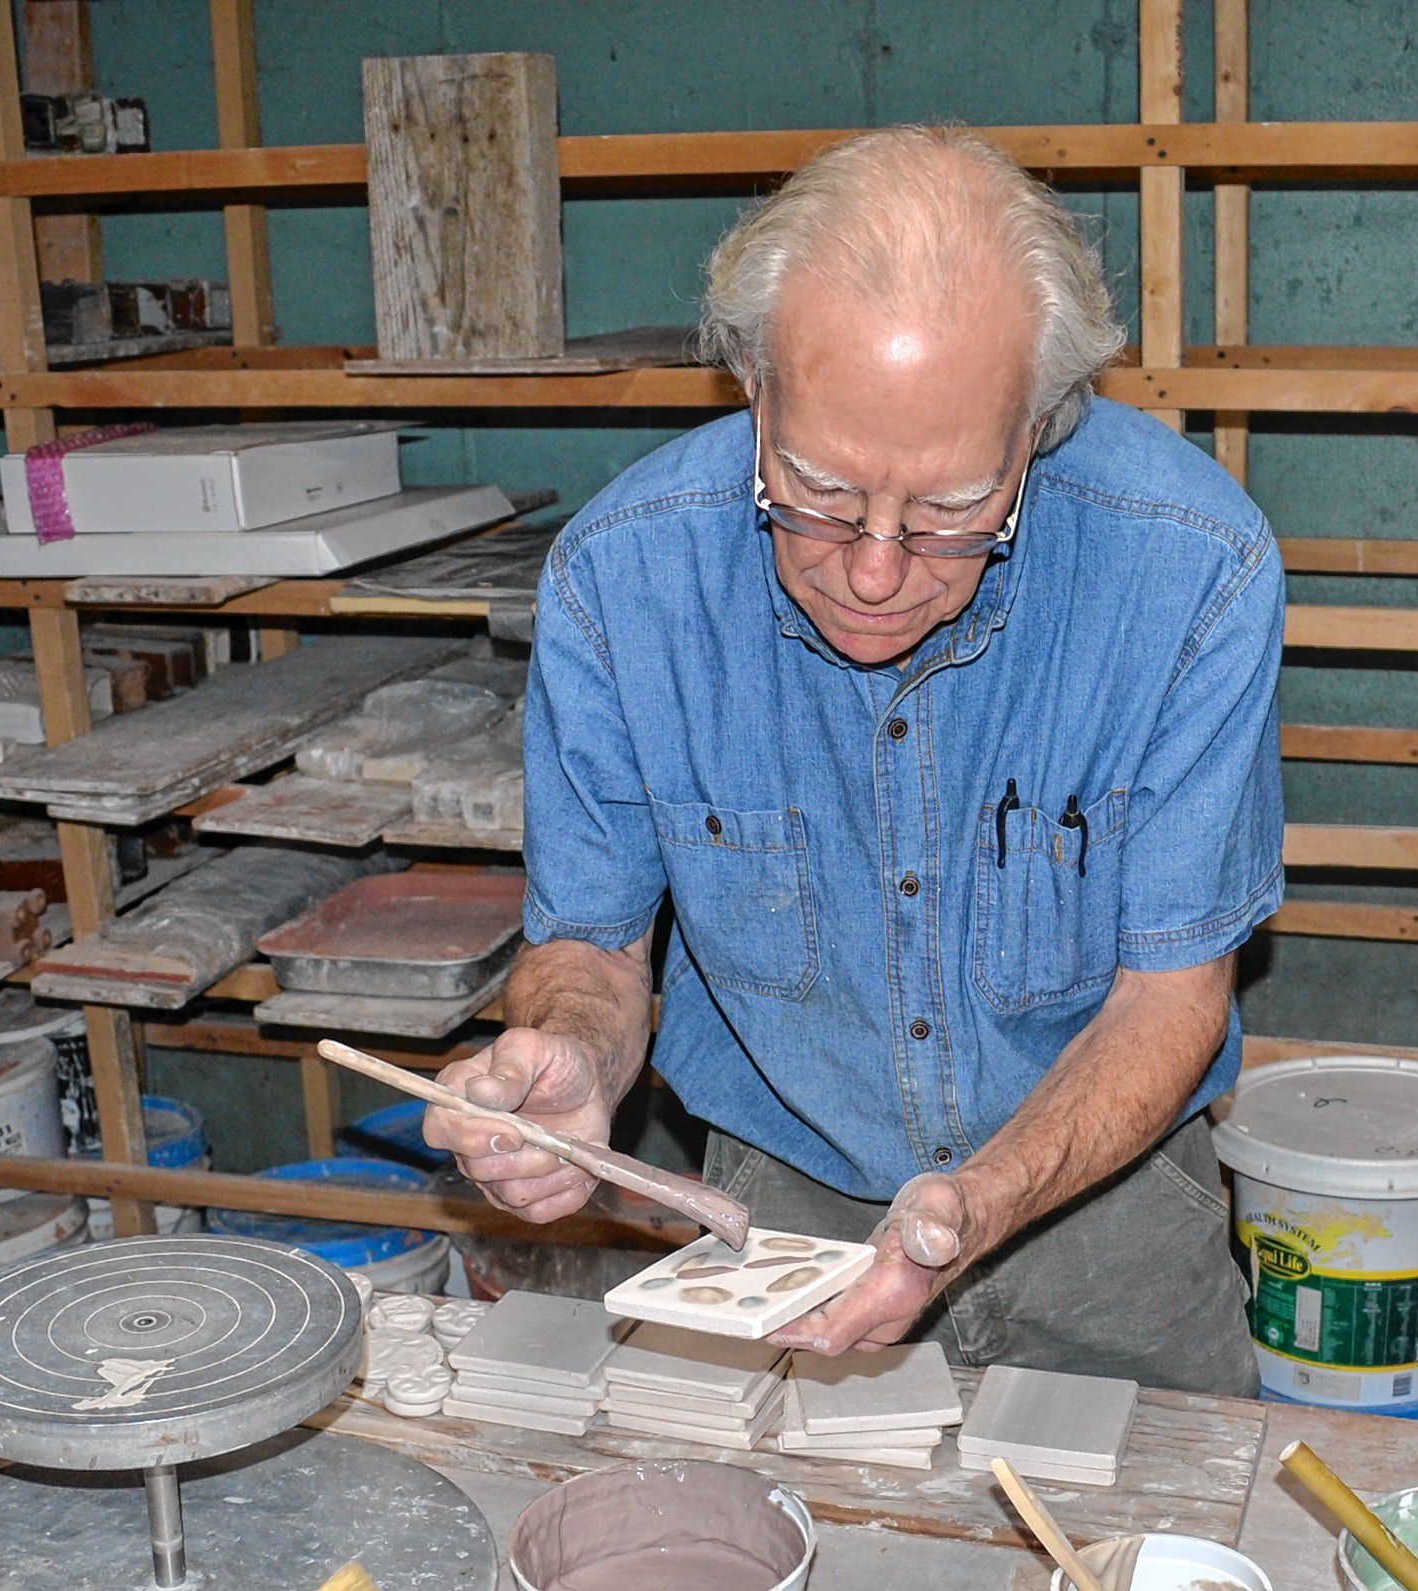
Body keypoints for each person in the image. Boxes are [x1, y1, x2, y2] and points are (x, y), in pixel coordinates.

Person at [421, 126, 1282, 1394]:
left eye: (947, 512)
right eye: (819, 493)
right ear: (753, 386)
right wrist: (574, 1059)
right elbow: (591, 947)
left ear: (1041, 426)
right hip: (780, 1200)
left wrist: (972, 1206)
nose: (874, 569)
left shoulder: (1192, 571)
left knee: (1161, 1559)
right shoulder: (623, 580)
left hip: (1104, 1191)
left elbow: (1172, 996)